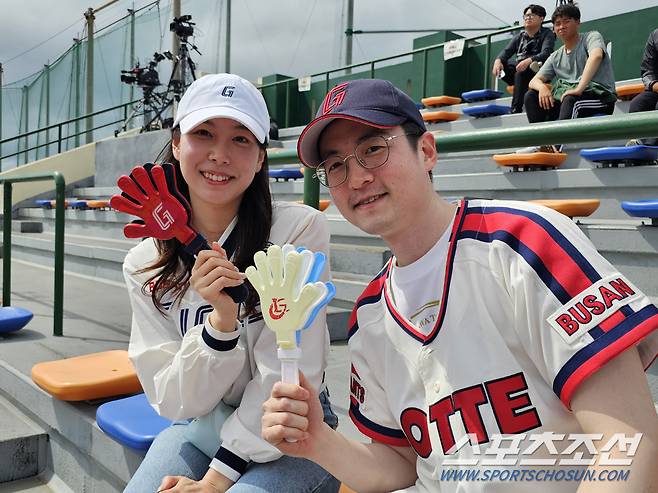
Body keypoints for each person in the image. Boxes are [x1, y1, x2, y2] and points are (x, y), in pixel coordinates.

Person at [260, 78, 658, 493]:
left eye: (373, 149)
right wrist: (318, 441)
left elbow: (628, 445)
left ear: (427, 150)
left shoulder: (525, 243)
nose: (356, 177)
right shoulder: (369, 314)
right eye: (336, 165)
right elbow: (399, 462)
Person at [122, 73, 339, 493]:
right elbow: (174, 400)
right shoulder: (144, 262)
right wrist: (220, 328)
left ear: (260, 158)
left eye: (241, 139)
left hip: (293, 429)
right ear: (177, 143)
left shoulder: (298, 230)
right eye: (203, 133)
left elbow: (291, 372)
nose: (219, 155)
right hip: (202, 427)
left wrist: (215, 481)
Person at [521, 3, 617, 152]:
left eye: (566, 21)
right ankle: (539, 143)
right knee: (531, 96)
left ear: (577, 22)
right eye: (557, 24)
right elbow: (534, 81)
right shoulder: (556, 55)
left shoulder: (591, 37)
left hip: (599, 98)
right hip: (570, 99)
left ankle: (555, 147)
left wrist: (579, 88)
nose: (561, 27)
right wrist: (542, 88)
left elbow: (596, 56)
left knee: (570, 99)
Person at [492, 4, 556, 113]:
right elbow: (506, 52)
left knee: (521, 73)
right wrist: (498, 61)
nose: (527, 18)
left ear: (541, 18)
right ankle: (520, 85)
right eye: (526, 16)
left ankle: (516, 109)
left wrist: (529, 60)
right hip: (520, 73)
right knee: (501, 67)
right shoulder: (519, 37)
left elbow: (547, 53)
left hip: (538, 72)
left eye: (531, 15)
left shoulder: (548, 33)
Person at [627, 28, 658, 146]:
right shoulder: (655, 36)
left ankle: (648, 146)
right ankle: (635, 143)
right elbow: (647, 71)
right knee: (637, 103)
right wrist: (654, 84)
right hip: (656, 89)